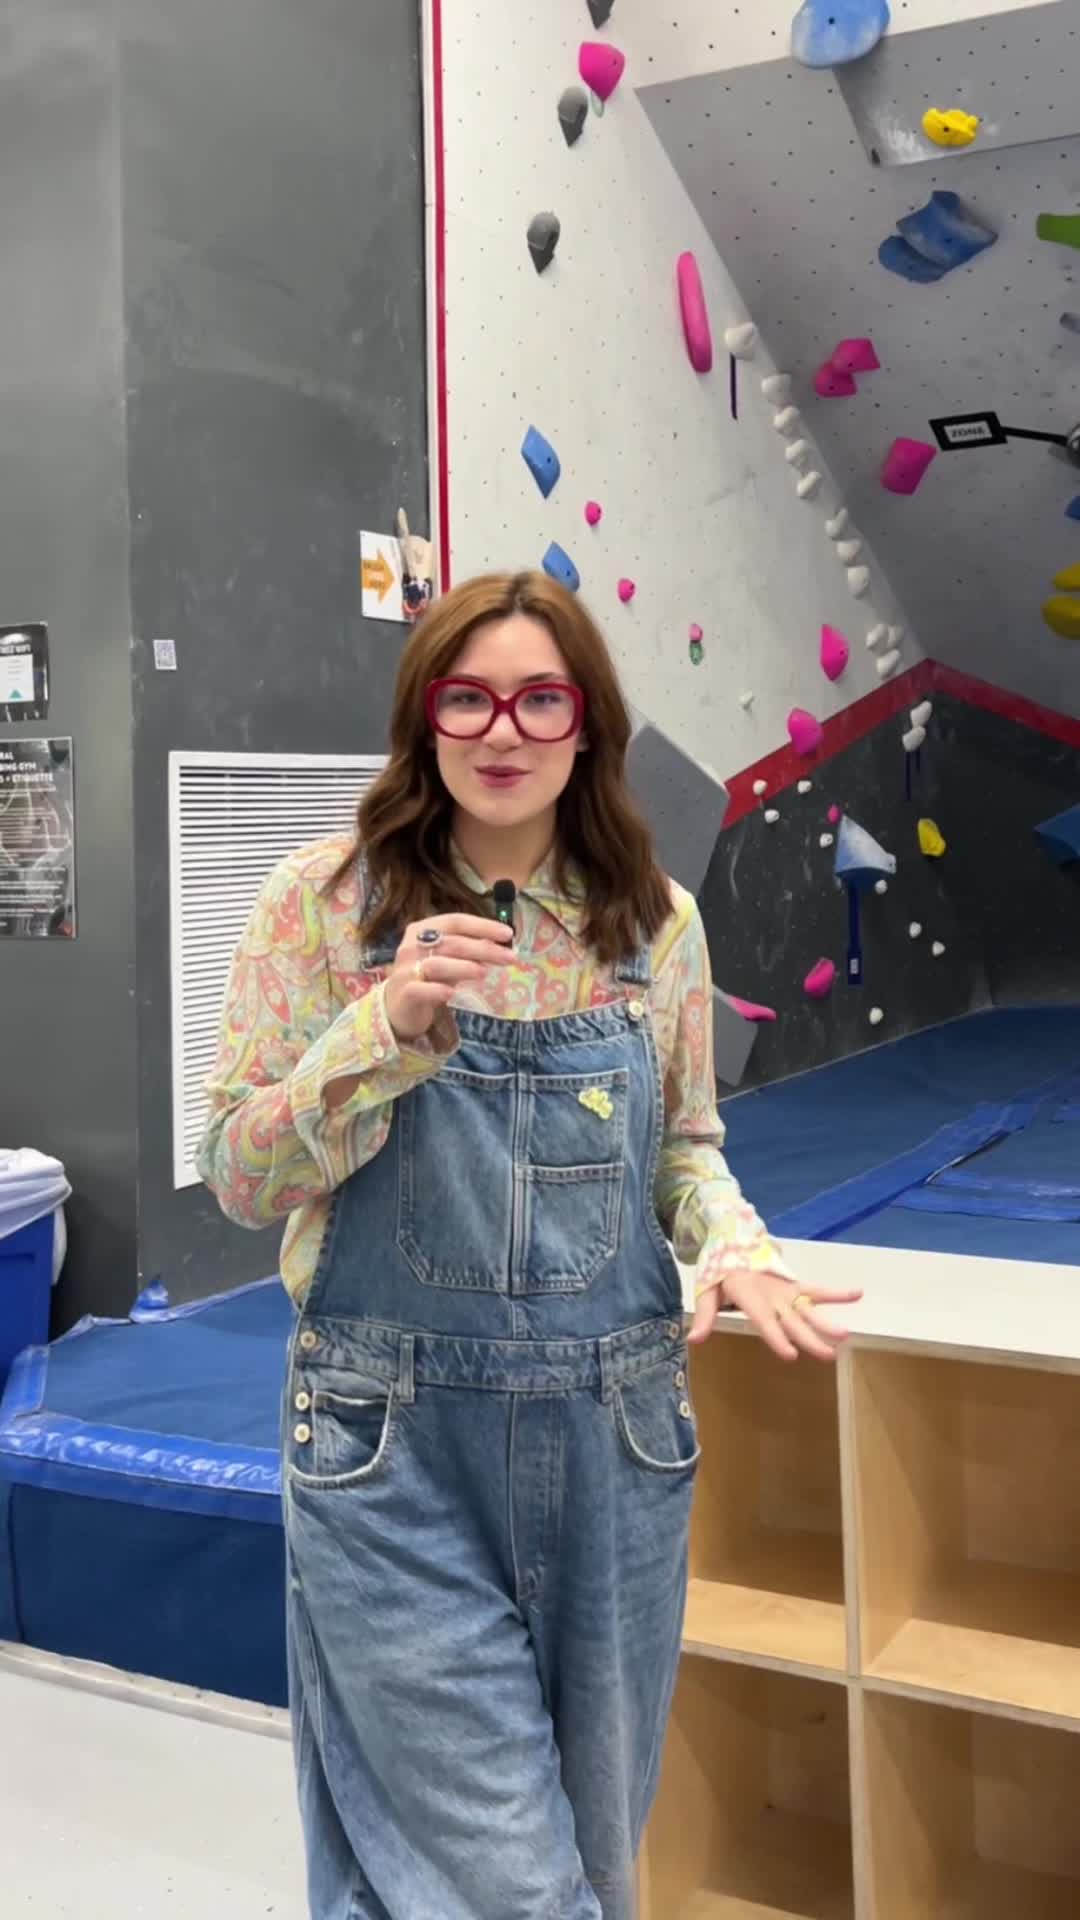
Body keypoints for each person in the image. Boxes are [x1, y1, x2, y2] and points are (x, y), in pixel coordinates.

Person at [199, 571, 860, 1920]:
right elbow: (238, 1174)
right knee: (511, 1881)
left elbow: (686, 1148)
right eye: (469, 698)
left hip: (617, 1446)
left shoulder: (653, 922)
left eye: (540, 700)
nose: (503, 731)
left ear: (586, 724)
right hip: (389, 1455)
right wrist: (381, 1032)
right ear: (424, 718)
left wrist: (735, 1247)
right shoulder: (320, 905)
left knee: (594, 1858)